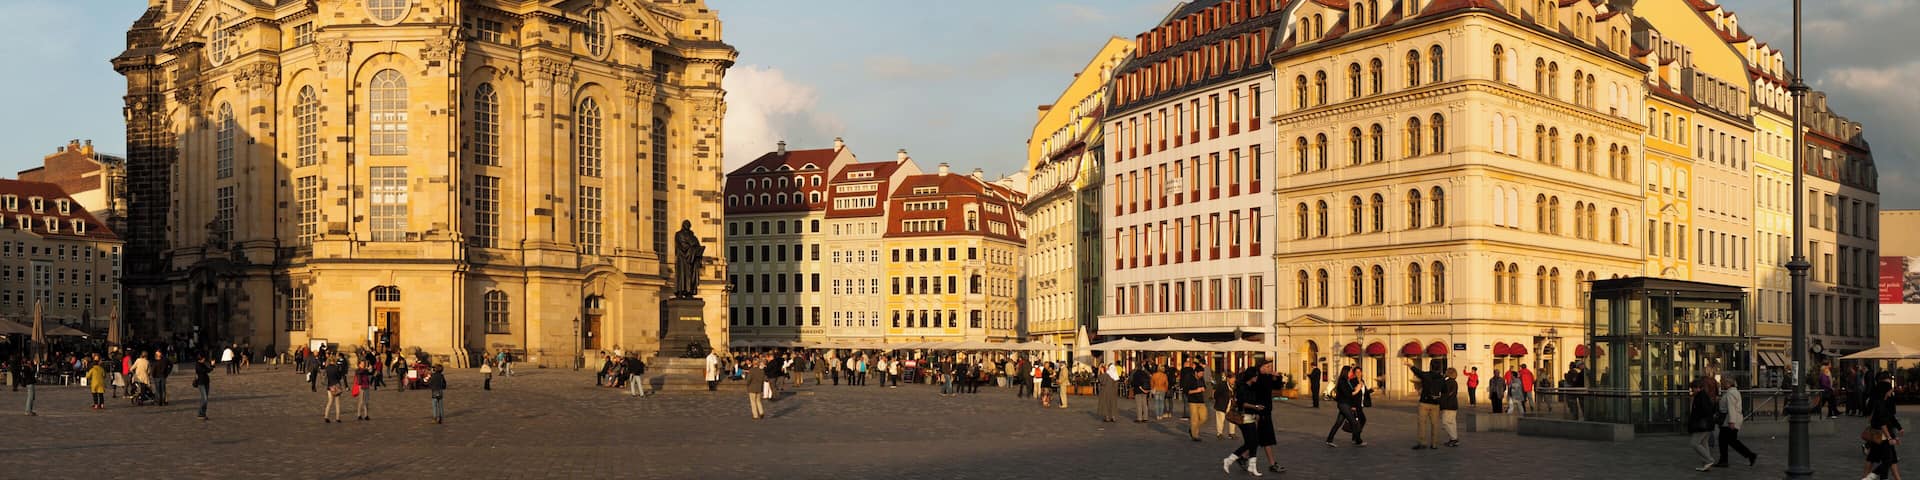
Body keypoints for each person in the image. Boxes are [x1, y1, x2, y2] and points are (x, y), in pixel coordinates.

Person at [1715, 377, 1756, 467]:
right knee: (1729, 441)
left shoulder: (1730, 393)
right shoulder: (1733, 392)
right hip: (1730, 420)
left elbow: (1731, 408)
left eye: (1723, 382)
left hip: (1729, 421)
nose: (1721, 384)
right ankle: (1725, 460)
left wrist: (1731, 421)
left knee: (1727, 441)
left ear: (1728, 384)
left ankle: (1749, 455)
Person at [1407, 358, 1444, 450]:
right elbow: (1444, 391)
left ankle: (1422, 442)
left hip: (1424, 403)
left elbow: (1418, 372)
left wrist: (1410, 365)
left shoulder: (1426, 375)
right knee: (1435, 424)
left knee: (1422, 423)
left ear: (1430, 366)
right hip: (1435, 404)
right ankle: (1434, 444)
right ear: (1440, 367)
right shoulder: (1442, 378)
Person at [1325, 366, 1366, 447]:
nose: (1351, 373)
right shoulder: (1342, 381)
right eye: (1350, 371)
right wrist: (1357, 389)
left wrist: (1356, 389)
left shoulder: (1347, 381)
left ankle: (1329, 440)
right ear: (1346, 372)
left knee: (1338, 423)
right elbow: (1348, 394)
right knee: (1354, 422)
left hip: (1346, 404)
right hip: (1343, 404)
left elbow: (1350, 391)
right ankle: (1358, 441)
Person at [1687, 377, 1720, 472]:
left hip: (1702, 425)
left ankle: (1709, 460)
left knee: (1694, 443)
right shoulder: (1703, 396)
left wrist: (1696, 419)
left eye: (1693, 388)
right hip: (1707, 424)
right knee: (1704, 443)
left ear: (1698, 387)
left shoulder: (1701, 397)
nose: (1692, 390)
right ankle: (1706, 464)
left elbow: (1705, 411)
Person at [1185, 367, 1210, 441]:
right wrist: (1196, 390)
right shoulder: (1190, 379)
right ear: (1196, 372)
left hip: (1201, 401)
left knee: (1204, 417)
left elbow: (1204, 387)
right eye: (1201, 373)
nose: (1202, 375)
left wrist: (1203, 389)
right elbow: (1187, 391)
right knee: (1194, 419)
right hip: (1192, 401)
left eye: (1202, 373)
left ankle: (1192, 428)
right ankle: (1195, 436)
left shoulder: (1201, 379)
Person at [1211, 370, 1236, 440]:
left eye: (1234, 378)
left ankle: (1232, 433)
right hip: (1221, 404)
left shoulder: (1235, 386)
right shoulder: (1222, 385)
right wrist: (1219, 400)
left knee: (1232, 418)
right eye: (1232, 378)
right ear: (1228, 379)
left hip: (1231, 404)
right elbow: (1216, 394)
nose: (1234, 380)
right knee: (1220, 419)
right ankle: (1219, 433)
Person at [1440, 367, 1461, 447]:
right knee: (1452, 423)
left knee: (1445, 422)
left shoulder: (1448, 382)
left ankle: (1454, 438)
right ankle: (1454, 438)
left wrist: (1441, 404)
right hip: (1453, 405)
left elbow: (1445, 394)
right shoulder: (1454, 382)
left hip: (1448, 405)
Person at [322, 356, 346, 423]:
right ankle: (337, 418)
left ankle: (326, 416)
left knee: (329, 402)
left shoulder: (327, 368)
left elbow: (325, 377)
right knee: (337, 403)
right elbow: (339, 377)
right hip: (336, 385)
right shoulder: (336, 368)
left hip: (329, 386)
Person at [193, 354, 214, 420]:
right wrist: (211, 365)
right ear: (200, 359)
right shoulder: (198, 365)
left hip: (206, 382)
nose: (204, 359)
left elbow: (209, 370)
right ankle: (200, 413)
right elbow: (205, 371)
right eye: (203, 358)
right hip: (201, 383)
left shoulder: (203, 364)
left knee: (205, 399)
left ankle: (203, 414)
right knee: (204, 399)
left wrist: (212, 365)